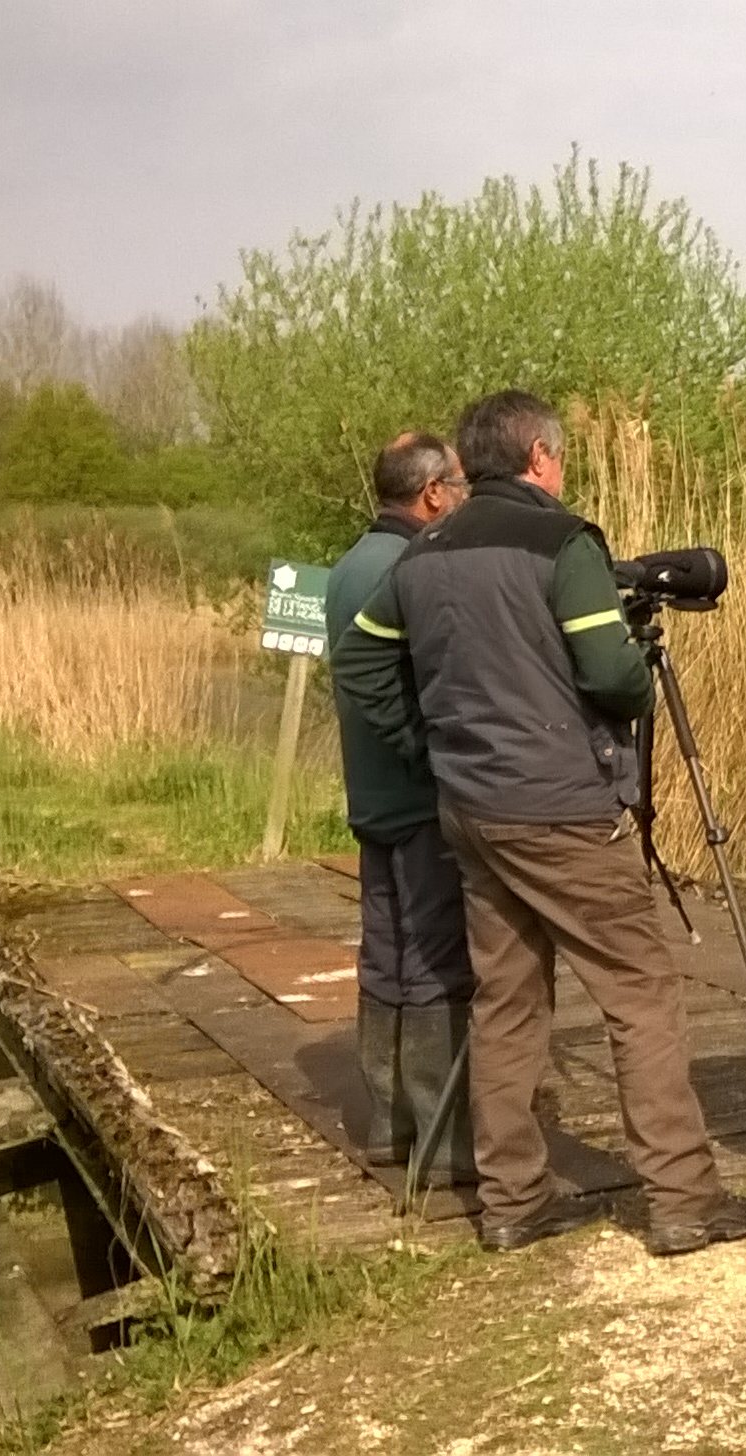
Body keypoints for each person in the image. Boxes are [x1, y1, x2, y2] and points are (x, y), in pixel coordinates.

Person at [335, 389, 746, 1257]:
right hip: (563, 810)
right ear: (539, 456)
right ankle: (683, 1198)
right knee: (639, 994)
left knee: (506, 1001)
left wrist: (426, 746)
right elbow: (612, 675)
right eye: (560, 456)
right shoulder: (562, 542)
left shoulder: (423, 552)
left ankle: (512, 1200)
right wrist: (638, 677)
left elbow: (358, 655)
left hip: (472, 809)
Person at [324, 432, 474, 1184]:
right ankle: (444, 1141)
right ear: (432, 494)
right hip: (419, 796)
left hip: (370, 794)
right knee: (434, 960)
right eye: (461, 484)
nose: (467, 495)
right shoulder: (413, 566)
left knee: (384, 955)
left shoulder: (349, 565)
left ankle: (388, 1124)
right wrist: (431, 748)